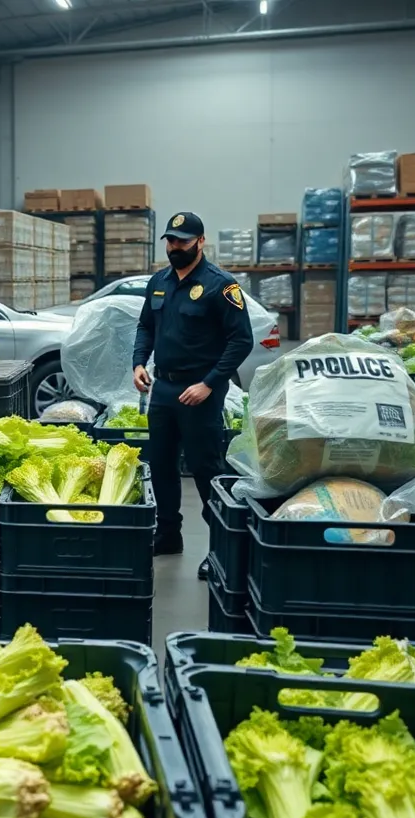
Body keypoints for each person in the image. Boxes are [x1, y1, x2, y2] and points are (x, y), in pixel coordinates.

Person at [131, 212, 252, 579]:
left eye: (182, 241)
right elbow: (144, 326)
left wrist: (210, 383)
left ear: (200, 241)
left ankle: (219, 548)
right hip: (164, 389)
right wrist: (139, 362)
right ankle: (168, 535)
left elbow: (241, 341)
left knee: (205, 469)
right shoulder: (159, 282)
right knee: (162, 465)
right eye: (170, 240)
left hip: (201, 390)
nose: (174, 247)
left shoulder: (220, 286)